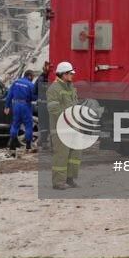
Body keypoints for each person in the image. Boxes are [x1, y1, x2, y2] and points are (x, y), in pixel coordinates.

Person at [47, 61, 80, 190]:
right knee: (61, 155)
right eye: (70, 74)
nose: (72, 76)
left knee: (75, 154)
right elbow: (54, 109)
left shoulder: (71, 87)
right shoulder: (54, 89)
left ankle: (70, 179)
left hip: (73, 127)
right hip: (61, 129)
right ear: (63, 74)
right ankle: (58, 182)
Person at [4, 69, 37, 155]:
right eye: (33, 76)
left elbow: (9, 95)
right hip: (25, 106)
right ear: (29, 76)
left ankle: (12, 147)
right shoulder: (30, 85)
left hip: (16, 105)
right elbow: (33, 97)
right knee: (28, 126)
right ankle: (28, 147)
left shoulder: (15, 82)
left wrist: (7, 106)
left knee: (15, 125)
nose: (33, 78)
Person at [34, 63, 51, 150]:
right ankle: (44, 142)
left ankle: (43, 142)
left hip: (42, 104)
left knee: (44, 125)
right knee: (47, 124)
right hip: (47, 104)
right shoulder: (50, 78)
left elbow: (35, 90)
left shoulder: (40, 78)